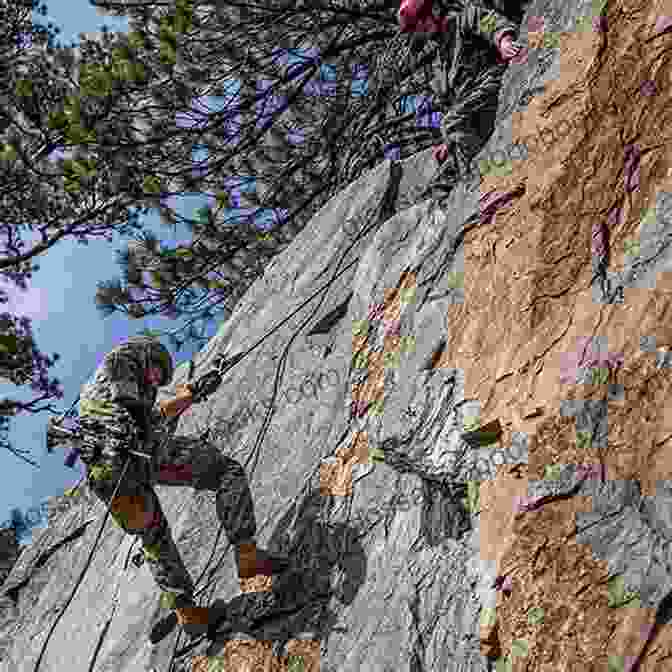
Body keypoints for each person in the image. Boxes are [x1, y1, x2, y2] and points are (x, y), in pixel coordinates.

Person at [74, 335, 289, 642]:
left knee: (154, 539)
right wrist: (158, 420)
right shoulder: (123, 358)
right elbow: (136, 414)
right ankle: (247, 553)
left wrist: (192, 394)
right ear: (149, 354)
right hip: (135, 451)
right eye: (158, 372)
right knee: (225, 471)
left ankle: (190, 616)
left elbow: (150, 418)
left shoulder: (97, 400)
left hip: (105, 475)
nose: (157, 380)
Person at [397, 0, 523, 199]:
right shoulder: (439, 63)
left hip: (488, 88)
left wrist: (504, 42)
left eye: (418, 25)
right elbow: (450, 104)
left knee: (451, 123)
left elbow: (491, 23)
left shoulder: (464, 19)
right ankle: (461, 207)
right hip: (470, 115)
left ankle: (489, 184)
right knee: (441, 179)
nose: (418, 33)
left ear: (434, 12)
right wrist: (448, 142)